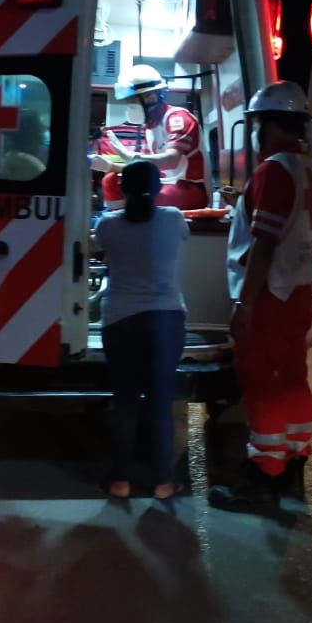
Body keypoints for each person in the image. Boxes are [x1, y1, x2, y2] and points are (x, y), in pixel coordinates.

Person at [210, 81, 312, 510]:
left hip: (271, 297)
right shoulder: (306, 168)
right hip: (298, 295)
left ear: (271, 125)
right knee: (293, 378)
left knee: (262, 384)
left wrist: (246, 304)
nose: (255, 131)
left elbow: (264, 243)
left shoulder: (273, 170)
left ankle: (263, 479)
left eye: (258, 123)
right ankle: (294, 463)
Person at [91, 159, 190, 500]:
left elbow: (99, 246)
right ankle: (164, 481)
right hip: (166, 320)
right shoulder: (174, 219)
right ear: (160, 187)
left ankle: (120, 480)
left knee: (125, 403)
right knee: (161, 401)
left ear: (120, 188)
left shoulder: (108, 225)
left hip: (120, 321)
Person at [93, 64, 210, 210]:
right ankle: (116, 221)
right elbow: (147, 167)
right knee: (110, 180)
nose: (130, 106)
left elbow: (171, 161)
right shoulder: (150, 128)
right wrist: (110, 167)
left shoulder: (177, 118)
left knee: (142, 197)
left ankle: (131, 223)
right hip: (166, 183)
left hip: (190, 188)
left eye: (133, 101)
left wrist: (131, 157)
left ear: (151, 97)